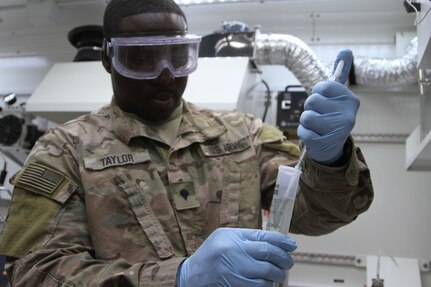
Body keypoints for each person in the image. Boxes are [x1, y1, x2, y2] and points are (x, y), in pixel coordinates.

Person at [0, 0, 373, 286]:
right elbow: (34, 272)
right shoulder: (64, 151)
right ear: (108, 60)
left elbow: (319, 215)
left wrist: (332, 160)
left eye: (177, 55)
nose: (165, 75)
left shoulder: (242, 134)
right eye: (141, 59)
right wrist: (178, 278)